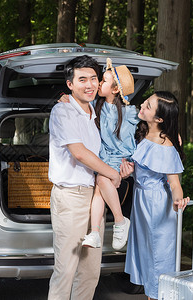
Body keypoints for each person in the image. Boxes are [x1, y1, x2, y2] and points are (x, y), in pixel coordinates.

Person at [48, 55, 121, 300]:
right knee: (66, 270)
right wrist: (111, 173)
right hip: (70, 198)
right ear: (70, 84)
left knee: (90, 272)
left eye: (93, 79)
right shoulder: (63, 111)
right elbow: (79, 153)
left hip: (94, 198)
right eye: (82, 80)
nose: (89, 85)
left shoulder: (93, 111)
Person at [58, 58, 137, 250]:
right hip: (104, 159)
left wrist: (170, 132)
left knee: (101, 181)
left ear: (115, 89)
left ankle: (119, 221)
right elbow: (77, 102)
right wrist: (63, 97)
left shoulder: (131, 112)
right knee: (98, 191)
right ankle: (95, 232)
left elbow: (151, 127)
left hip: (121, 161)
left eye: (103, 81)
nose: (98, 84)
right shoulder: (96, 106)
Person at [121, 91, 190, 300]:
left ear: (159, 119)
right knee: (146, 256)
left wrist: (179, 200)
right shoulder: (142, 131)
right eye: (146, 101)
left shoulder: (166, 145)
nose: (142, 105)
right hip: (141, 202)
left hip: (157, 205)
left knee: (159, 259)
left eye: (148, 106)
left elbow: (175, 183)